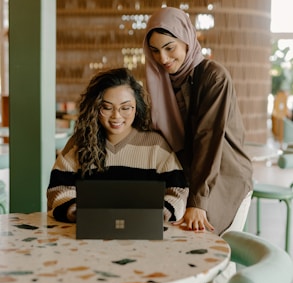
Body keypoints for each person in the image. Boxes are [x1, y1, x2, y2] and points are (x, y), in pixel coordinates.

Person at [143, 7, 253, 236]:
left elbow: (208, 138)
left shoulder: (214, 77)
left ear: (186, 40)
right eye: (154, 50)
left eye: (169, 48)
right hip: (187, 177)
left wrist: (197, 201)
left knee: (209, 247)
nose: (162, 58)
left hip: (223, 177)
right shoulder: (160, 83)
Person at [47, 67, 188, 223]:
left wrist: (160, 213)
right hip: (88, 232)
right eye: (107, 107)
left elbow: (178, 191)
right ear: (95, 107)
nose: (116, 116)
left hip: (144, 232)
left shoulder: (155, 145)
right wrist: (75, 210)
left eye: (125, 108)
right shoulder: (78, 143)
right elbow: (57, 189)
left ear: (137, 108)